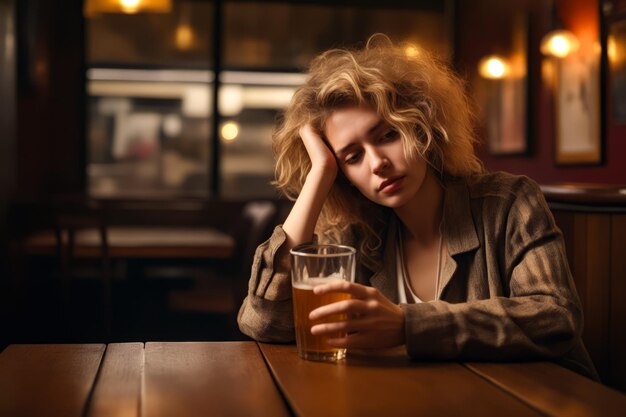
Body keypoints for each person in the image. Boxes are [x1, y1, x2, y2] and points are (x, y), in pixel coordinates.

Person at [237, 35, 598, 380]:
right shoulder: (356, 234)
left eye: (388, 135)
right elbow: (264, 322)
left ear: (422, 125)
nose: (377, 163)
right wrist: (320, 173)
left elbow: (556, 316)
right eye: (353, 157)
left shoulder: (509, 202)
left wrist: (406, 325)